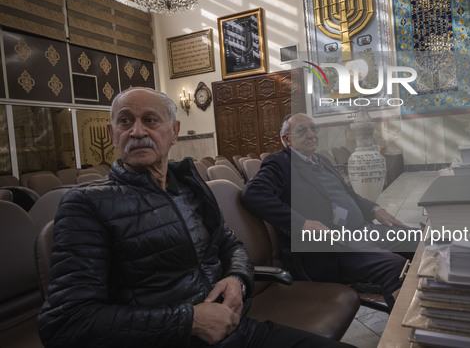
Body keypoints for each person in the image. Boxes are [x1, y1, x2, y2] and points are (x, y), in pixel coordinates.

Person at [37, 88, 355, 348]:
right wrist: (190, 320)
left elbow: (230, 245)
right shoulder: (86, 205)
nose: (137, 131)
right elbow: (66, 322)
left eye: (150, 120)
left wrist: (238, 279)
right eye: (125, 122)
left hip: (236, 330)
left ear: (174, 132)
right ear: (112, 133)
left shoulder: (189, 187)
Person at [241, 113, 419, 311]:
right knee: (395, 267)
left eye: (313, 128)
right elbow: (253, 194)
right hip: (331, 247)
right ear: (287, 139)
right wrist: (301, 223)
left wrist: (375, 208)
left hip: (362, 231)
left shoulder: (321, 160)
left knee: (418, 239)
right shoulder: (280, 163)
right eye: (302, 130)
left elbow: (349, 195)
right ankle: (407, 329)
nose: (311, 134)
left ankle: (435, 301)